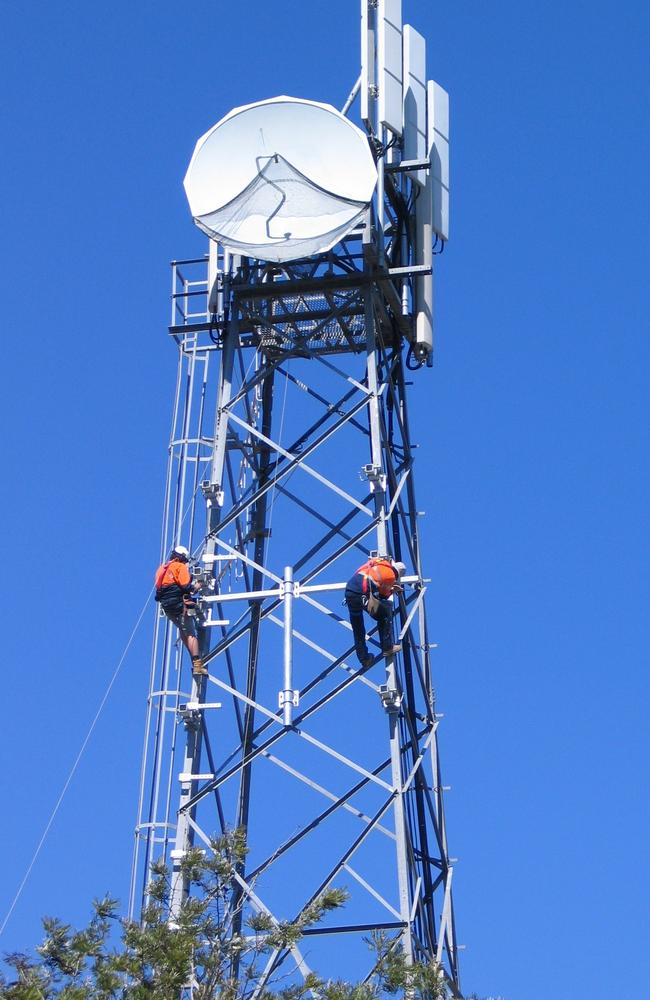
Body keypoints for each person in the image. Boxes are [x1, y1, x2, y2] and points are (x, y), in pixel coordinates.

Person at [154, 544, 207, 676]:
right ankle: (197, 664)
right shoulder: (180, 567)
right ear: (183, 558)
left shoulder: (162, 568)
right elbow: (186, 587)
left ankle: (194, 659)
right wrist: (198, 585)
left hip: (167, 607)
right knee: (191, 634)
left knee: (183, 630)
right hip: (179, 605)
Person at [345, 557, 406, 667]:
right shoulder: (391, 575)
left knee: (358, 629)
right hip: (361, 594)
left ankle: (364, 659)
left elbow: (374, 585)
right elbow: (381, 596)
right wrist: (392, 591)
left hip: (350, 592)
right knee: (385, 613)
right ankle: (387, 647)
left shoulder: (378, 563)